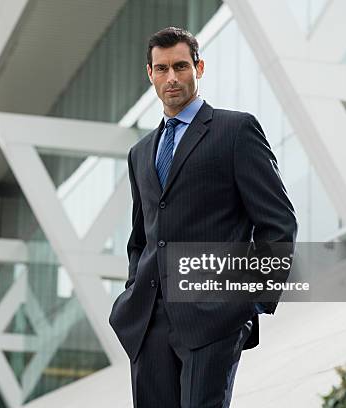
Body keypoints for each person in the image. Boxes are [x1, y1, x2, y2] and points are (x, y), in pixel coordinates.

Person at [108, 27, 298, 408]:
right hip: (148, 322)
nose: (172, 78)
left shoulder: (235, 130)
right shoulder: (141, 153)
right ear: (150, 74)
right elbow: (141, 238)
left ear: (199, 67)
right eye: (161, 69)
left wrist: (252, 298)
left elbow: (278, 221)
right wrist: (132, 291)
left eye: (180, 66)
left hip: (215, 315)